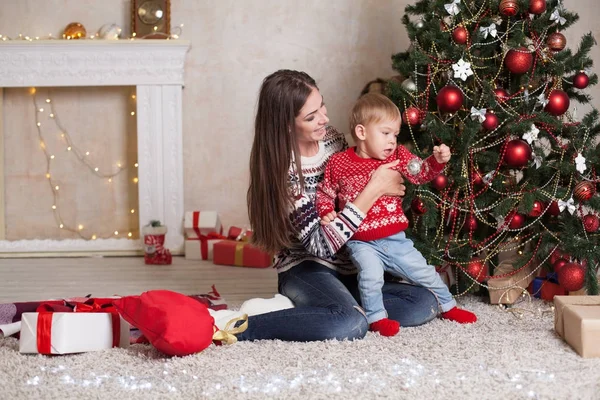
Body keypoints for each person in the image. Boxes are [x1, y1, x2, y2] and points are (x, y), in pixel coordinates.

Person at [239, 69, 440, 342]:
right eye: (311, 117)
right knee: (350, 323)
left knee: (423, 302)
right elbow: (321, 245)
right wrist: (375, 188)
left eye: (321, 105)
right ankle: (244, 327)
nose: (325, 118)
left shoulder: (332, 138)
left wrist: (385, 187)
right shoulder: (284, 173)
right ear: (287, 125)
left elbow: (352, 193)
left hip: (352, 260)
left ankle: (324, 307)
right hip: (307, 268)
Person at [316, 93, 477, 337]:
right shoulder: (338, 163)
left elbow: (420, 173)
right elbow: (325, 192)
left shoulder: (399, 156)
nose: (392, 140)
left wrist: (436, 161)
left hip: (395, 239)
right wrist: (326, 211)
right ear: (361, 132)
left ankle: (448, 306)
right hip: (361, 242)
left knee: (424, 272)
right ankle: (377, 318)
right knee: (371, 278)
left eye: (395, 134)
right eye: (385, 133)